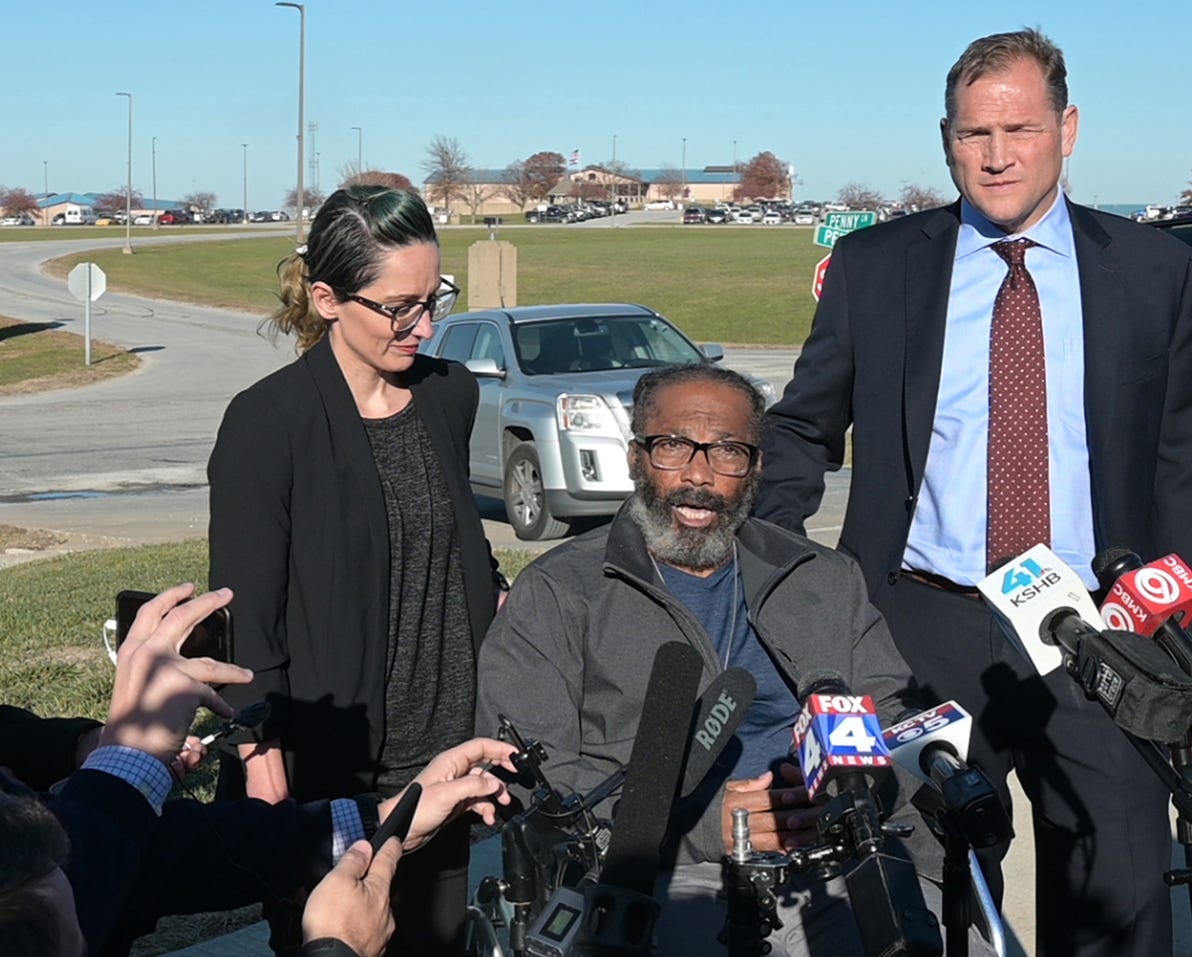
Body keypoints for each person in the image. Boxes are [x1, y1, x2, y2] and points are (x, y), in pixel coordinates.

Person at [755, 28, 1192, 957]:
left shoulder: (1154, 271)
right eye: (975, 133)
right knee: (922, 885)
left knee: (1121, 887)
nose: (998, 154)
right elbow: (802, 430)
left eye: (1020, 128)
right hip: (923, 624)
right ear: (946, 139)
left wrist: (1188, 659)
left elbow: (1186, 472)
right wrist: (768, 583)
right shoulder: (877, 268)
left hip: (1101, 625)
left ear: (1069, 128)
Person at [476, 365, 986, 957]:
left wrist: (851, 794)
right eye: (672, 447)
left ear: (757, 469)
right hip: (661, 879)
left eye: (728, 452)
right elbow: (530, 780)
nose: (699, 475)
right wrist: (706, 826)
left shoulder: (824, 579)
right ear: (635, 458)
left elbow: (894, 718)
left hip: (843, 863)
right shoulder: (561, 591)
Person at [208, 185, 505, 955]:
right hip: (327, 783)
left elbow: (454, 549)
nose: (426, 325)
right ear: (327, 298)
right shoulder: (267, 423)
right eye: (400, 306)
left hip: (443, 763)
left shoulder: (452, 395)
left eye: (433, 296)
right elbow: (249, 624)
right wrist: (264, 773)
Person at [0, 586, 517, 957]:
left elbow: (144, 858)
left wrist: (383, 817)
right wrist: (338, 947)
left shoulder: (48, 865)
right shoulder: (43, 888)